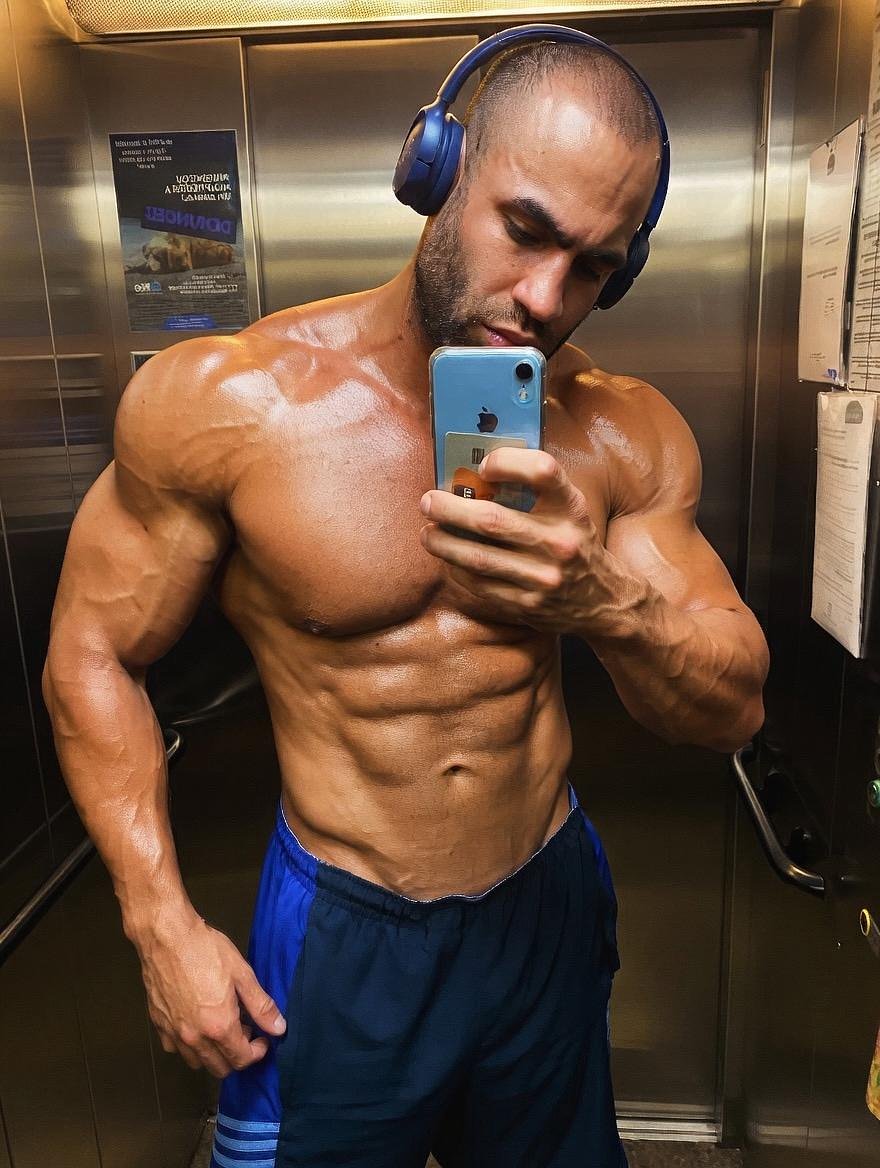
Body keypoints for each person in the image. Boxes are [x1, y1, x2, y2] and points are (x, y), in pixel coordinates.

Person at [42, 28, 768, 1168]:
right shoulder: (232, 402)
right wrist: (160, 925)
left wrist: (605, 605)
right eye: (525, 228)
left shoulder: (624, 430)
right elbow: (91, 655)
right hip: (345, 925)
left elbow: (733, 710)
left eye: (591, 267)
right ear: (438, 173)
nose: (543, 298)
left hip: (542, 901)